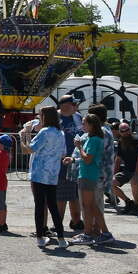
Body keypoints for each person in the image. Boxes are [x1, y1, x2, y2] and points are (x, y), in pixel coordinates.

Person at [21, 106, 68, 249]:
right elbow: (63, 154)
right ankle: (61, 238)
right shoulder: (61, 133)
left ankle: (40, 237)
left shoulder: (44, 132)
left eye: (40, 115)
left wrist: (24, 136)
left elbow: (29, 149)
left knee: (40, 206)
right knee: (53, 206)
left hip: (39, 173)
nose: (38, 117)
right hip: (53, 174)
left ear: (45, 117)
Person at [67, 114, 109, 245]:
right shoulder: (93, 138)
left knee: (89, 206)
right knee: (89, 205)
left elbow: (88, 159)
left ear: (91, 125)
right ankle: (92, 232)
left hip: (89, 175)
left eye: (84, 123)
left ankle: (91, 233)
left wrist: (79, 146)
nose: (82, 125)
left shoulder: (94, 139)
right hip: (87, 174)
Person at [86, 103, 117, 242]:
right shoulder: (107, 129)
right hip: (103, 172)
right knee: (97, 203)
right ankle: (97, 231)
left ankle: (98, 233)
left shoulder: (102, 132)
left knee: (96, 204)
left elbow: (96, 153)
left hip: (98, 172)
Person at [55, 95, 84, 231]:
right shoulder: (55, 118)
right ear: (64, 105)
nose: (76, 106)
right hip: (62, 161)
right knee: (61, 195)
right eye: (74, 104)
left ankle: (77, 221)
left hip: (77, 160)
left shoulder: (77, 116)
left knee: (75, 194)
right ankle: (58, 224)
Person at [112, 122, 138, 214]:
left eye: (127, 130)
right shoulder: (120, 142)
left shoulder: (137, 140)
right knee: (110, 183)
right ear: (119, 132)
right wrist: (114, 174)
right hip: (127, 170)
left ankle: (136, 206)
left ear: (130, 129)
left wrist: (136, 174)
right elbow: (118, 159)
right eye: (122, 131)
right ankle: (128, 202)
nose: (125, 132)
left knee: (134, 182)